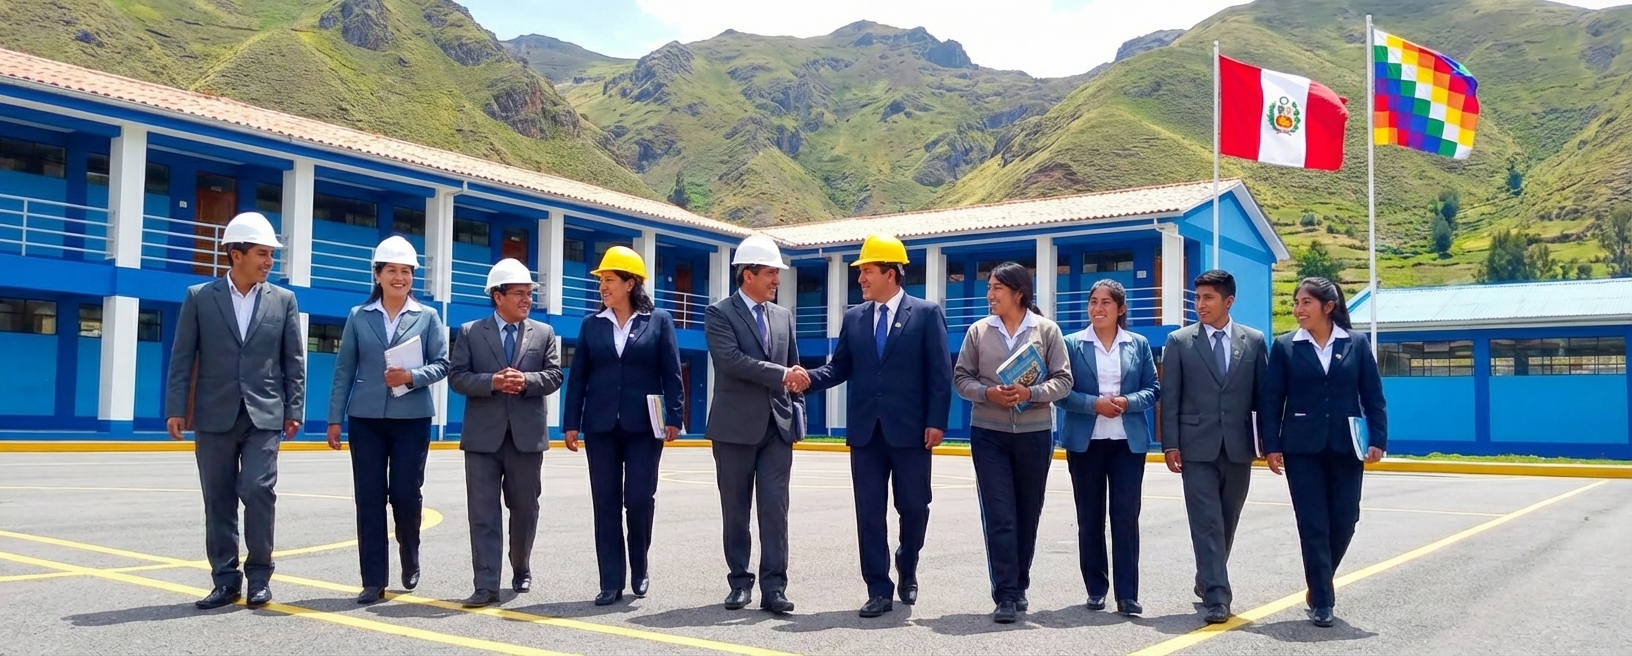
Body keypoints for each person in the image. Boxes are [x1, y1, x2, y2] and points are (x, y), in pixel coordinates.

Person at [802, 234, 952, 618]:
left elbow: (939, 374)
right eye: (861, 272)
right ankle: (878, 588)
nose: (861, 279)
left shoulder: (926, 313)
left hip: (912, 432)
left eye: (867, 271)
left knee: (915, 508)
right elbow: (839, 367)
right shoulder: (854, 318)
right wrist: (808, 378)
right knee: (869, 512)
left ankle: (908, 562)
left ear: (891, 273)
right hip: (866, 434)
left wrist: (937, 421)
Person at [165, 211, 305, 610]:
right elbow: (182, 357)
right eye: (262, 253)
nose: (268, 262)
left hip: (264, 414)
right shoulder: (199, 298)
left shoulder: (284, 300)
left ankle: (260, 576)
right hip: (213, 414)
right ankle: (225, 581)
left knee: (258, 489)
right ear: (235, 254)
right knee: (219, 498)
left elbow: (293, 360)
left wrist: (294, 407)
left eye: (270, 255)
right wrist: (177, 407)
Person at [325, 236, 450, 604]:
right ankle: (373, 579)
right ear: (377, 275)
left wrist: (411, 377)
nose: (399, 277)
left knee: (406, 495)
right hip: (365, 418)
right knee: (369, 497)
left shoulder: (427, 317)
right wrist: (335, 418)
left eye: (406, 272)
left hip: (411, 418)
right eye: (392, 271)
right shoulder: (358, 317)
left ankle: (409, 554)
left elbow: (442, 364)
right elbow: (344, 368)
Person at [1259, 276, 1388, 628]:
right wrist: (1270, 445)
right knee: (1313, 523)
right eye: (1296, 303)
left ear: (1327, 307)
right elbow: (1271, 400)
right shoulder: (1285, 347)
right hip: (1301, 447)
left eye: (1305, 303)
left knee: (1346, 519)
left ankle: (1319, 580)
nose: (1298, 310)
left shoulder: (1357, 344)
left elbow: (1373, 397)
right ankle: (1323, 600)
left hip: (1347, 446)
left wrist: (1378, 439)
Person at [561, 246, 684, 606]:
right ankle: (610, 581)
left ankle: (640, 568)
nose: (603, 286)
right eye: (601, 280)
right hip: (600, 426)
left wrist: (674, 417)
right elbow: (579, 377)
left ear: (631, 283)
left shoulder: (658, 321)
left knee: (639, 499)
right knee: (606, 502)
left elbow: (672, 373)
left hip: (645, 427)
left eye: (610, 280)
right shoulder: (591, 325)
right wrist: (571, 423)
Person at [952, 261, 1072, 624]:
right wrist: (988, 392)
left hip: (1035, 435)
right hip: (989, 434)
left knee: (1027, 512)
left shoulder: (1047, 331)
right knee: (1000, 514)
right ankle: (1004, 592)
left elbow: (1064, 381)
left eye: (996, 289)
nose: (990, 296)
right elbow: (961, 378)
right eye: (989, 288)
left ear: (1018, 293)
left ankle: (1020, 584)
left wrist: (1031, 392)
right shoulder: (977, 332)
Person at [447, 258, 564, 608]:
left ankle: (521, 565)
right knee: (483, 512)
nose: (527, 299)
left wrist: (526, 381)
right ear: (497, 296)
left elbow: (555, 375)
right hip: (482, 439)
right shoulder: (470, 332)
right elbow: (457, 377)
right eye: (519, 293)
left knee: (525, 508)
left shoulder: (544, 333)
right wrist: (492, 382)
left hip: (526, 439)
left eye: (529, 294)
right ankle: (486, 585)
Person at [1159, 269, 1269, 624]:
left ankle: (1206, 578)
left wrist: (1269, 444)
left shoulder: (1254, 341)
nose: (1200, 305)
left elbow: (1263, 399)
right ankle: (1218, 597)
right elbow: (1170, 397)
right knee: (1205, 522)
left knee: (1227, 521)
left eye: (1208, 298)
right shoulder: (1179, 342)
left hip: (1239, 447)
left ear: (1228, 301)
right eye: (1197, 298)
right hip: (1195, 447)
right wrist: (1170, 444)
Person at [703, 234, 805, 615]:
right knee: (736, 509)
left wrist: (798, 419)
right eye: (770, 274)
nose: (776, 281)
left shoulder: (783, 316)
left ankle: (775, 587)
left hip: (777, 429)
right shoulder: (719, 314)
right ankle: (739, 582)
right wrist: (783, 374)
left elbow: (794, 372)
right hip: (733, 430)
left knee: (775, 510)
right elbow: (730, 361)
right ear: (747, 275)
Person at [1056, 280, 1159, 616]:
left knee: (1126, 518)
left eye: (1105, 303)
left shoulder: (1138, 344)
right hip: (1086, 443)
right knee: (1090, 518)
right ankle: (1096, 588)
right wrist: (1093, 404)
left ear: (1121, 308)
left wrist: (1127, 402)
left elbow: (1153, 389)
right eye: (1093, 302)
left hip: (1128, 443)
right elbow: (1061, 392)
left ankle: (1127, 594)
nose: (1098, 309)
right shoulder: (1071, 344)